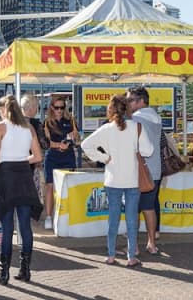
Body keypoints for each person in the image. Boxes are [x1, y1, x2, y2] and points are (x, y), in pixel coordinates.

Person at [81, 94, 153, 267]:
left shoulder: (107, 128)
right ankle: (131, 257)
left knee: (112, 219)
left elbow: (85, 145)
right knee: (131, 220)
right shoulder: (137, 127)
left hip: (112, 180)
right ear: (127, 108)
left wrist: (104, 157)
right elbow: (148, 151)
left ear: (111, 109)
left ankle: (111, 255)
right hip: (132, 180)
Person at [0, 95, 43, 286]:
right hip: (24, 178)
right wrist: (21, 160)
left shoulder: (0, 127)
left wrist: (5, 161)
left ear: (3, 109)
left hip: (6, 177)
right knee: (25, 226)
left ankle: (3, 272)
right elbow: (37, 156)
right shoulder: (28, 128)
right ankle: (25, 270)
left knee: (7, 227)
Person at [126, 86, 162, 254]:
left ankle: (133, 247)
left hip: (139, 170)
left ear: (141, 101)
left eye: (130, 100)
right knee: (149, 208)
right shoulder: (156, 117)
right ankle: (152, 244)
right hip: (154, 170)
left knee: (133, 209)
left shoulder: (136, 119)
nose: (128, 103)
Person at [43, 96, 79, 229]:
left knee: (67, 186)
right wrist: (59, 144)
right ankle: (48, 216)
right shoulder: (47, 122)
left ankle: (68, 216)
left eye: (62, 107)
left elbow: (76, 139)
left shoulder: (71, 121)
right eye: (56, 107)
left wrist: (73, 139)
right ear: (52, 107)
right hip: (52, 156)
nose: (59, 110)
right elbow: (46, 143)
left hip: (68, 156)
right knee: (50, 185)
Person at [20, 94, 49, 200]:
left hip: (13, 163)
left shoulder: (13, 122)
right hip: (31, 163)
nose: (37, 109)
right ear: (32, 108)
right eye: (37, 107)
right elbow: (45, 145)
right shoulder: (35, 124)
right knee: (30, 196)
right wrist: (47, 134)